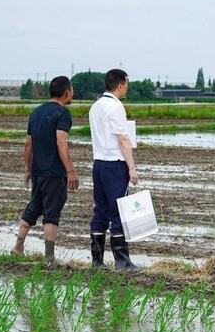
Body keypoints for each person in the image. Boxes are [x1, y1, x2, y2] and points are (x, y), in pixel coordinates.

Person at [11, 75, 79, 266]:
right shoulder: (62, 114)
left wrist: (27, 169)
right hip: (54, 173)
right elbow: (61, 142)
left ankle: (18, 248)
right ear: (67, 92)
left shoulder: (37, 112)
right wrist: (71, 171)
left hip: (38, 171)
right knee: (51, 213)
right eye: (71, 90)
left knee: (33, 208)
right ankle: (49, 258)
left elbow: (28, 144)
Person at [88, 69, 141, 270]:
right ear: (120, 86)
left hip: (99, 164)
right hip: (114, 165)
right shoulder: (116, 107)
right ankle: (122, 261)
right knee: (119, 210)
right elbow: (123, 139)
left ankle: (97, 261)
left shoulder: (95, 106)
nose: (127, 86)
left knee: (100, 211)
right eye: (126, 83)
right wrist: (132, 168)